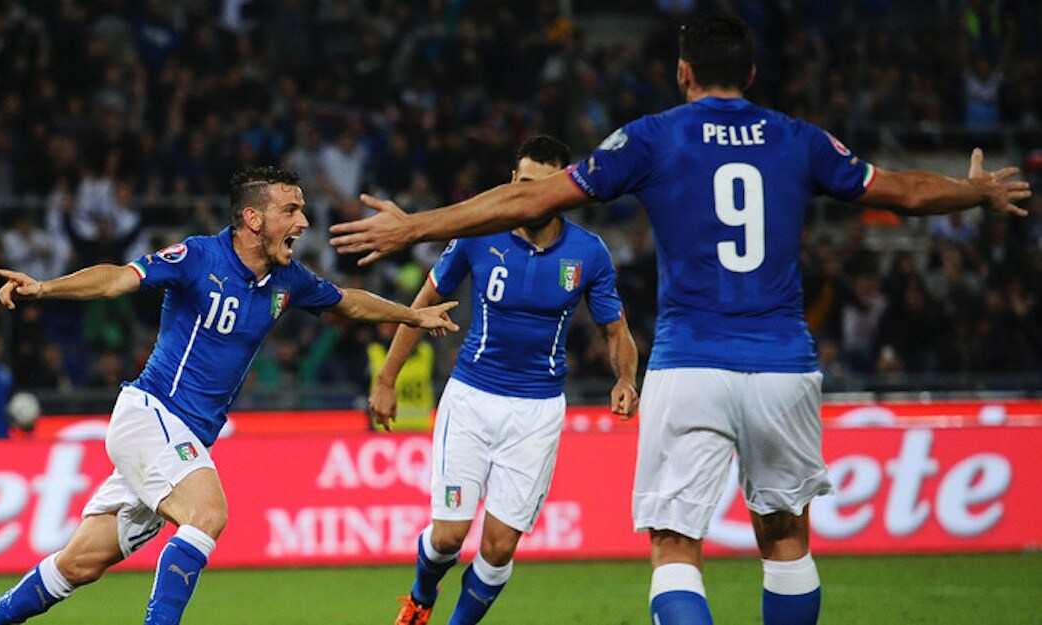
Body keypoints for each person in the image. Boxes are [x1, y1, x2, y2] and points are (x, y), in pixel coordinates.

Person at [329, 14, 1032, 625]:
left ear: (683, 72)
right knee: (787, 541)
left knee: (674, 546)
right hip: (783, 363)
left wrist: (414, 225)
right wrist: (972, 192)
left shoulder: (650, 138)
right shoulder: (800, 139)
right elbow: (904, 191)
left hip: (690, 361)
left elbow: (529, 200)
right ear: (750, 73)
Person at [0, 165, 459, 625]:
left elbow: (347, 302)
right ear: (253, 219)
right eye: (291, 210)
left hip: (184, 439)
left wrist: (412, 315)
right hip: (151, 414)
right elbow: (117, 280)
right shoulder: (198, 257)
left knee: (81, 562)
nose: (304, 222)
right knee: (208, 514)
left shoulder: (287, 280)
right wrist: (45, 288)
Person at [371, 135, 639, 625]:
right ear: (511, 181)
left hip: (537, 411)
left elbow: (615, 330)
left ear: (564, 189)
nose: (530, 194)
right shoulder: (477, 234)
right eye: (523, 182)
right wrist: (387, 378)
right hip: (471, 398)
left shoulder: (589, 253)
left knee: (497, 549)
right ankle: (421, 597)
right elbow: (423, 305)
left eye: (542, 185)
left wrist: (625, 377)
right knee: (448, 537)